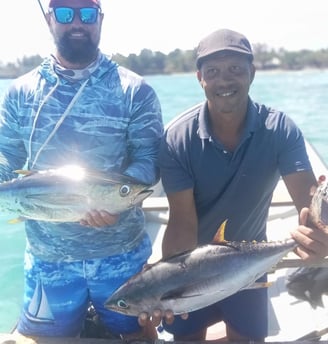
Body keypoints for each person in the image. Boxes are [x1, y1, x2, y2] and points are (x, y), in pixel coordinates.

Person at [143, 28, 328, 341]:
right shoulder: (177, 141)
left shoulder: (280, 129)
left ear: (252, 74)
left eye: (235, 70)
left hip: (250, 265)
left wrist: (321, 232)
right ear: (199, 77)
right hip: (193, 266)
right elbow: (182, 223)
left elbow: (309, 201)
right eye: (213, 72)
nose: (224, 81)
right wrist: (168, 284)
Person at [0, 0, 163, 339]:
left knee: (138, 337)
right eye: (65, 13)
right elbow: (6, 157)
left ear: (100, 19)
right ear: (49, 19)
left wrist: (121, 199)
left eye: (87, 14)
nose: (77, 22)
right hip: (49, 259)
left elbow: (149, 157)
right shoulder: (20, 93)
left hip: (121, 256)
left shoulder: (135, 90)